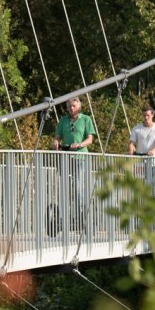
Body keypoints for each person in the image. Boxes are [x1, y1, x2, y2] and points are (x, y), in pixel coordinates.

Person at [50, 96, 97, 235]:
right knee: (64, 188)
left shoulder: (86, 119)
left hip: (80, 156)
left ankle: (84, 209)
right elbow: (58, 136)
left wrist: (80, 144)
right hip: (65, 157)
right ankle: (68, 214)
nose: (71, 108)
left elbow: (90, 138)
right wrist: (55, 142)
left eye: (74, 106)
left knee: (77, 186)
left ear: (79, 107)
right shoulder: (63, 120)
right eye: (69, 106)